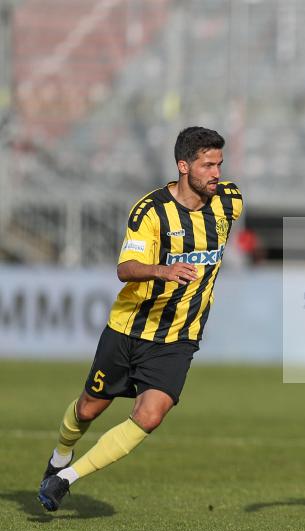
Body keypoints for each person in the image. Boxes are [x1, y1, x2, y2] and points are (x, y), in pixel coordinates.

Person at [38, 127, 244, 511]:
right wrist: (162, 270)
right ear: (184, 166)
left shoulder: (230, 202)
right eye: (207, 164)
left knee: (150, 416)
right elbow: (125, 268)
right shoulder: (151, 212)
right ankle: (60, 454)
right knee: (88, 409)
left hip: (179, 336)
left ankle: (65, 479)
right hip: (129, 329)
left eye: (219, 163)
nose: (217, 172)